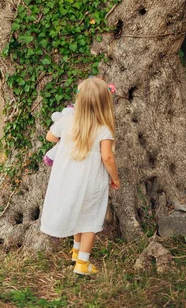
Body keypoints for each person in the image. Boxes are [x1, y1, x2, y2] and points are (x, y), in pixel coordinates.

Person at [40, 76, 120, 275]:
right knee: (89, 219)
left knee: (77, 212)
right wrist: (115, 178)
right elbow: (107, 157)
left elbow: (50, 136)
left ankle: (76, 250)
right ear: (104, 103)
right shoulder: (104, 129)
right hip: (91, 181)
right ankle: (83, 263)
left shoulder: (67, 121)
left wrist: (61, 128)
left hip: (67, 179)